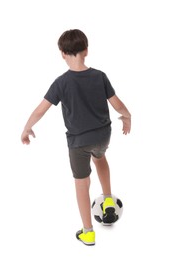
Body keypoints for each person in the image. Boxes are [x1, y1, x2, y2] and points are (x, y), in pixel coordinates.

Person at [21, 29, 131, 246]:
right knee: (100, 158)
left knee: (82, 183)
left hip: (78, 143)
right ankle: (108, 200)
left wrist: (27, 128)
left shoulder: (61, 83)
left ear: (62, 53)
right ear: (86, 50)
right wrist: (127, 117)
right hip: (103, 136)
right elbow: (117, 104)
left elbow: (40, 110)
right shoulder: (100, 76)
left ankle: (88, 232)